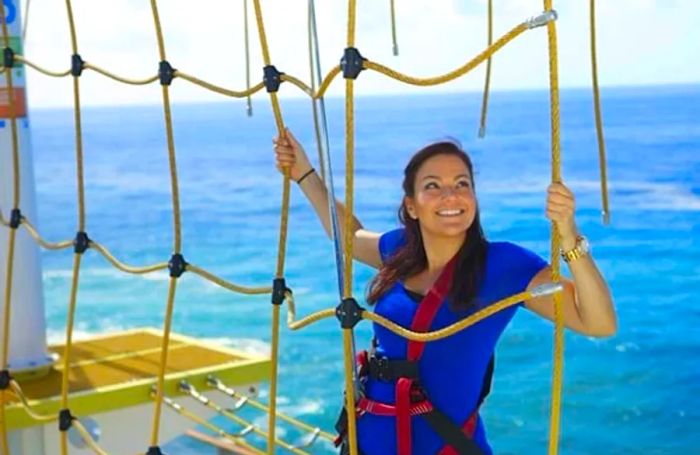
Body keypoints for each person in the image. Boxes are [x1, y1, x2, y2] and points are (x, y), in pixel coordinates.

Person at [273, 128, 617, 455]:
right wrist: (304, 173)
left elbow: (598, 323)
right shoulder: (399, 252)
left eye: (461, 184)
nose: (450, 196)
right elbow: (347, 236)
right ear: (412, 206)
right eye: (433, 186)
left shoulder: (504, 266)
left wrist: (569, 235)